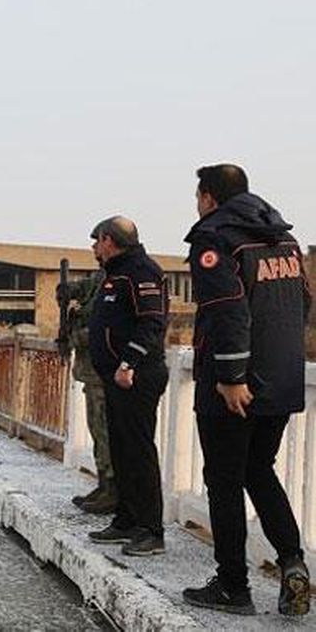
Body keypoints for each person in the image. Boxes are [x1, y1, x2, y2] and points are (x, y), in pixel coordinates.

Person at [180, 164, 310, 617]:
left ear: (209, 197)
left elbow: (226, 310)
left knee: (224, 480)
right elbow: (303, 305)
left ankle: (233, 586)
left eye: (198, 196)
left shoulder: (216, 238)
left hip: (235, 387)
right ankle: (293, 562)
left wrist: (232, 378)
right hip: (280, 380)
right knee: (260, 469)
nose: (196, 205)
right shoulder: (285, 241)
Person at [85, 215, 169, 557]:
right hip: (116, 377)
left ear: (109, 240)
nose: (93, 247)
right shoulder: (116, 273)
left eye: (96, 240)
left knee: (139, 450)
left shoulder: (141, 271)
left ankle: (151, 530)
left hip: (137, 376)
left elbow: (151, 323)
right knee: (121, 448)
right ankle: (127, 519)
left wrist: (128, 362)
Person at [59, 268, 118, 515]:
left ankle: (113, 489)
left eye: (99, 243)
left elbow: (100, 331)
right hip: (91, 372)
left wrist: (72, 336)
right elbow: (79, 288)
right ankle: (103, 484)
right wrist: (65, 291)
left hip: (103, 373)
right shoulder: (98, 279)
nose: (95, 248)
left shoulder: (116, 281)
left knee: (105, 432)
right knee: (97, 431)